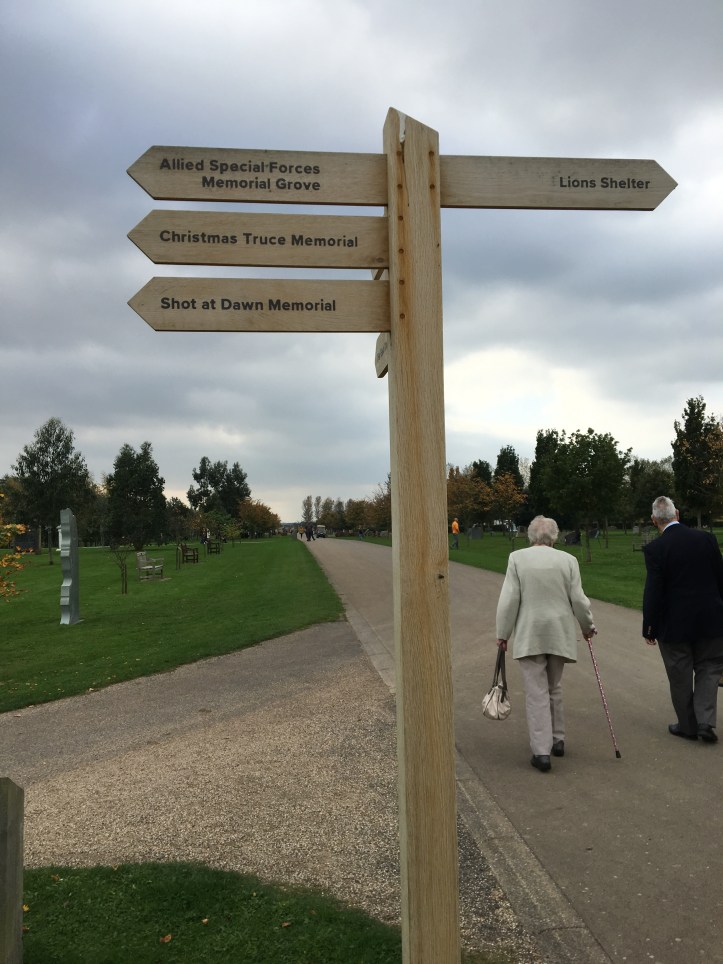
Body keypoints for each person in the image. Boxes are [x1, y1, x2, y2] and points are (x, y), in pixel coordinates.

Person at [496, 515, 597, 772]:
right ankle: (557, 739)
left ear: (531, 536)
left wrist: (503, 633)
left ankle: (542, 751)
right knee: (554, 686)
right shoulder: (568, 560)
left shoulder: (517, 558)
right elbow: (578, 599)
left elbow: (509, 599)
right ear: (554, 536)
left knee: (536, 691)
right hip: (559, 632)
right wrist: (588, 627)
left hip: (531, 633)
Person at [642, 496, 723, 743]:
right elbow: (721, 578)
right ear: (677, 514)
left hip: (674, 623)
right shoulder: (706, 539)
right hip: (711, 618)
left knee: (679, 673)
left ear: (655, 520)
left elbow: (654, 590)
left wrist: (650, 626)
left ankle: (688, 726)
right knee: (709, 668)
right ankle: (706, 723)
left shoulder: (656, 549)